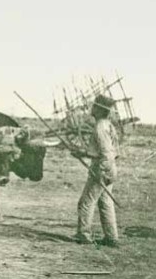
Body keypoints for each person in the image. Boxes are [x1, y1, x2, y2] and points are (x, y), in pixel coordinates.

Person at [72, 94, 121, 248]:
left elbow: (104, 152)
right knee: (105, 202)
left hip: (102, 167)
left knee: (86, 202)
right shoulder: (110, 126)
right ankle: (111, 238)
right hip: (111, 167)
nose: (91, 109)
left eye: (94, 106)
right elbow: (115, 151)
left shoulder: (100, 127)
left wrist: (82, 154)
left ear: (99, 110)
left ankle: (84, 235)